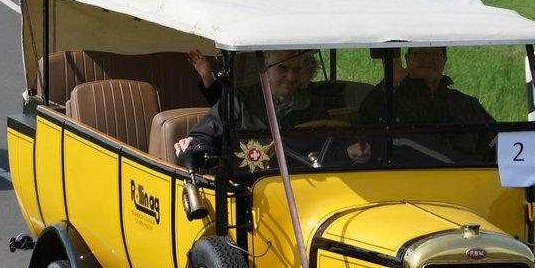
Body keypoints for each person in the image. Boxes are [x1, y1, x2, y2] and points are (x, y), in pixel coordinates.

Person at [175, 49, 366, 165]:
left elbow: (328, 149)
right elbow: (207, 134)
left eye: (297, 70)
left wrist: (349, 151)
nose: (291, 77)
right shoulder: (240, 101)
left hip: (304, 190)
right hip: (251, 191)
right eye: (283, 68)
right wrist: (195, 143)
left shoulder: (313, 107)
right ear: (264, 69)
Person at [359, 47, 494, 162]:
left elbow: (496, 141)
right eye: (420, 53)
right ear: (407, 58)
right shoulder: (388, 97)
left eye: (435, 54)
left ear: (444, 60)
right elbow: (366, 120)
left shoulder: (466, 104)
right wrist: (391, 82)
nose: (427, 59)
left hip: (464, 181)